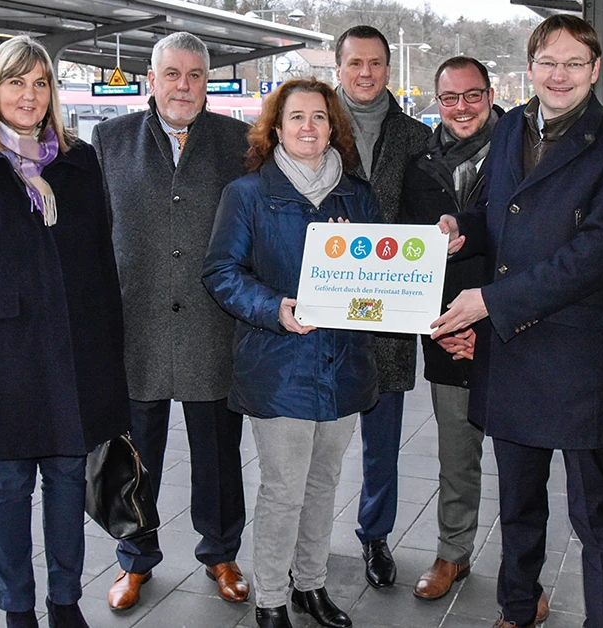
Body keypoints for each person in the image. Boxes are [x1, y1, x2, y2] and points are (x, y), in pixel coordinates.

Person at [431, 15, 603, 628]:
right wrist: (461, 231)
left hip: (580, 357)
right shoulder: (508, 129)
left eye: (574, 64)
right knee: (518, 502)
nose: (559, 76)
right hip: (512, 353)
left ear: (595, 70)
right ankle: (516, 606)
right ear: (529, 68)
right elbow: (494, 212)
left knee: (596, 516)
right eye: (547, 63)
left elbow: (598, 252)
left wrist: (491, 304)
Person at [0, 36, 129, 628]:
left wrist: (108, 366)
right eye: (16, 82)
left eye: (40, 83)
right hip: (2, 360)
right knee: (8, 485)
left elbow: (100, 265)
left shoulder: (79, 160)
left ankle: (64, 603)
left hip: (73, 355)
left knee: (68, 480)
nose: (29, 95)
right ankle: (18, 609)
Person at [202, 78, 382, 628]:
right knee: (283, 489)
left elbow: (382, 277)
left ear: (334, 127)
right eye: (297, 117)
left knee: (324, 483)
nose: (309, 127)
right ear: (276, 128)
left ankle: (312, 585)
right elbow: (221, 272)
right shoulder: (248, 194)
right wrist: (274, 306)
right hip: (279, 365)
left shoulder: (359, 194)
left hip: (344, 364)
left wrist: (370, 267)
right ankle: (272, 598)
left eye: (320, 117)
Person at [91, 31, 252, 608]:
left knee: (218, 456)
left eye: (195, 76)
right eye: (173, 75)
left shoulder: (239, 142)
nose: (184, 86)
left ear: (207, 82)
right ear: (151, 80)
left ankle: (222, 553)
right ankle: (135, 560)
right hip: (137, 329)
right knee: (137, 459)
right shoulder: (109, 141)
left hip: (214, 326)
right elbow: (94, 238)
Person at [333, 25, 432, 588]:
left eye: (375, 64)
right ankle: (304, 538)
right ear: (338, 67)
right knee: (315, 436)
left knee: (383, 440)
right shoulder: (312, 127)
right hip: (327, 311)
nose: (365, 73)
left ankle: (375, 534)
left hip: (392, 312)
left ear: (388, 70)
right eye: (355, 63)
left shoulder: (419, 138)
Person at [399, 56, 500, 600]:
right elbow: (412, 264)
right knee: (456, 454)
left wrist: (492, 316)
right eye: (449, 97)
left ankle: (522, 572)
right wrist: (437, 328)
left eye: (472, 95)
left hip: (512, 330)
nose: (461, 107)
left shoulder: (523, 153)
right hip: (446, 332)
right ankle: (452, 553)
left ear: (490, 94)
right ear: (436, 101)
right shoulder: (420, 167)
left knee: (523, 461)